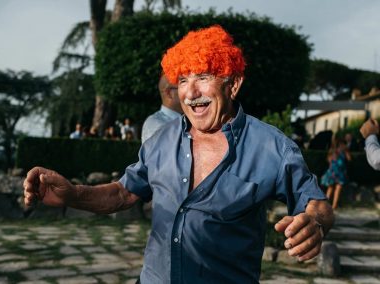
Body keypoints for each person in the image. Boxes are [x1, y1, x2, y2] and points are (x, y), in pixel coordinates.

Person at [23, 25, 334, 283]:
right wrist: (73, 194)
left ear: (233, 84)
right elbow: (122, 194)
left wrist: (314, 224)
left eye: (202, 77)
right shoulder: (161, 141)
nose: (190, 92)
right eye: (183, 80)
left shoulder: (271, 146)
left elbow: (315, 202)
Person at [141, 75, 183, 143]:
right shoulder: (156, 123)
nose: (189, 93)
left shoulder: (185, 120)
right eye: (182, 87)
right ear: (169, 93)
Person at [320, 138, 352, 209]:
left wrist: (346, 151)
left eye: (343, 144)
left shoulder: (344, 152)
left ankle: (334, 206)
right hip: (333, 172)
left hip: (340, 173)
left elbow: (349, 159)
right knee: (330, 188)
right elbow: (329, 160)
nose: (342, 146)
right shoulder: (333, 151)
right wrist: (334, 152)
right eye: (341, 144)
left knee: (338, 188)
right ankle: (326, 205)